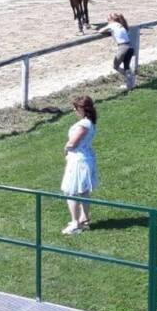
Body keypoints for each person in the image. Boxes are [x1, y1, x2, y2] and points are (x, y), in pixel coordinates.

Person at [61, 95, 99, 235]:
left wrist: (66, 148)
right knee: (83, 191)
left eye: (76, 108)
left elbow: (73, 143)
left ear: (82, 108)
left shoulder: (84, 124)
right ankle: (84, 218)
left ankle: (75, 223)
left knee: (71, 191)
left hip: (78, 160)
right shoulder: (90, 122)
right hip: (84, 157)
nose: (75, 110)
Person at [103, 12, 135, 90]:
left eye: (107, 19)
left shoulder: (112, 25)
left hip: (123, 47)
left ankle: (130, 78)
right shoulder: (122, 26)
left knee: (115, 66)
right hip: (130, 47)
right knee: (126, 66)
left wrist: (107, 31)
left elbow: (100, 31)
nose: (107, 20)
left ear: (111, 20)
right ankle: (130, 85)